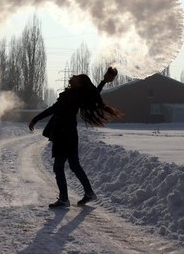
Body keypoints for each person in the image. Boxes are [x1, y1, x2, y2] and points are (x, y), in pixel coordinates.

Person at [28, 67, 122, 208]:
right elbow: (93, 94)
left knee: (59, 167)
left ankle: (64, 199)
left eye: (77, 78)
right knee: (74, 165)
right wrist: (103, 81)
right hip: (70, 134)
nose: (73, 77)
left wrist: (35, 119)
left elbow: (54, 109)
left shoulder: (73, 95)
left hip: (63, 134)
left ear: (79, 84)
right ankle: (89, 192)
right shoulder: (75, 95)